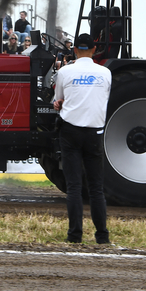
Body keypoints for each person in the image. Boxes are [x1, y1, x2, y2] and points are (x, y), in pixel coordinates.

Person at [53, 33, 112, 244]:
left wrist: (59, 103)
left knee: (74, 187)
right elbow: (103, 97)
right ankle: (102, 236)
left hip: (70, 131)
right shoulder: (105, 73)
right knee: (96, 188)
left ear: (75, 50)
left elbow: (58, 99)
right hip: (95, 132)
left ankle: (75, 236)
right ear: (95, 50)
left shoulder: (65, 71)